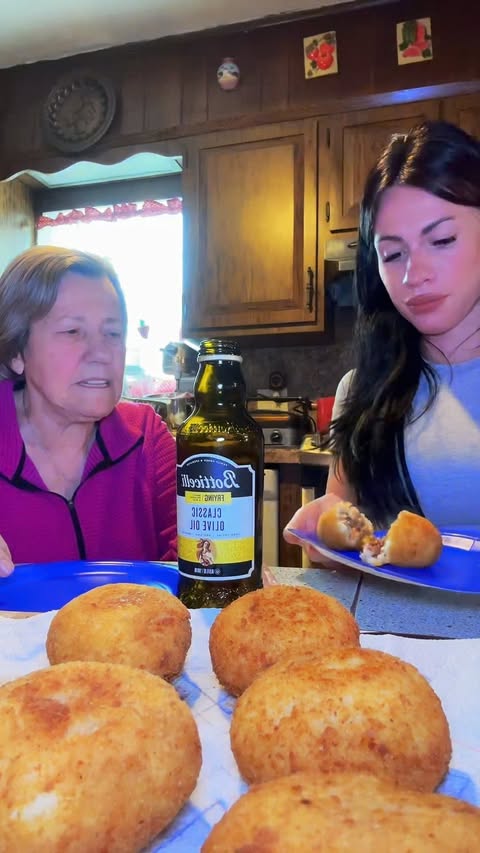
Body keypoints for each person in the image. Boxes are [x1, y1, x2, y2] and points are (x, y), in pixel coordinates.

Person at [285, 119, 480, 561]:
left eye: (442, 239)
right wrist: (326, 526)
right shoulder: (362, 388)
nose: (414, 275)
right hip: (383, 631)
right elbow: (345, 515)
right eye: (392, 254)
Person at [0, 245, 177, 576]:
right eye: (72, 331)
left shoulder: (147, 439)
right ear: (17, 352)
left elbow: (198, 564)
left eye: (112, 333)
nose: (101, 353)